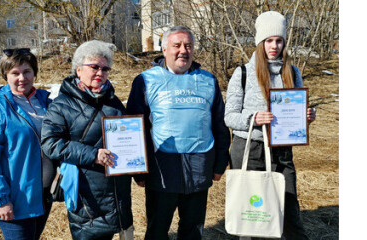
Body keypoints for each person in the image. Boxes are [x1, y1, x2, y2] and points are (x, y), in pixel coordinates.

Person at [126, 26, 231, 240]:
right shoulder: (145, 80)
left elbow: (219, 125)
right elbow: (135, 128)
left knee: (192, 231)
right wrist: (138, 170)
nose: (183, 50)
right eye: (177, 45)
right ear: (164, 49)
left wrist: (220, 163)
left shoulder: (208, 80)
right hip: (161, 169)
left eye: (188, 46)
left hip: (199, 167)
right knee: (157, 231)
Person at [224, 11, 316, 240]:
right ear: (260, 42)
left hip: (282, 152)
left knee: (288, 210)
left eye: (278, 40)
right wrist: (253, 119)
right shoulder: (243, 73)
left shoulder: (293, 73)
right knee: (252, 215)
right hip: (250, 149)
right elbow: (229, 116)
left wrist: (306, 117)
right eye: (268, 40)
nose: (274, 45)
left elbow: (294, 115)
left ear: (284, 42)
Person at [40, 40, 133, 240]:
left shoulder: (113, 102)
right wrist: (93, 155)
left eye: (105, 69)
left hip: (116, 192)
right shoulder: (61, 105)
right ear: (79, 69)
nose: (101, 73)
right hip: (86, 195)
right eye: (95, 67)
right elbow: (50, 143)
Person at [0, 48, 53, 240]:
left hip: (41, 196)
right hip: (15, 200)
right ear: (5, 75)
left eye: (27, 72)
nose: (22, 78)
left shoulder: (45, 103)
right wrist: (1, 200)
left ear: (35, 73)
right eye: (15, 73)